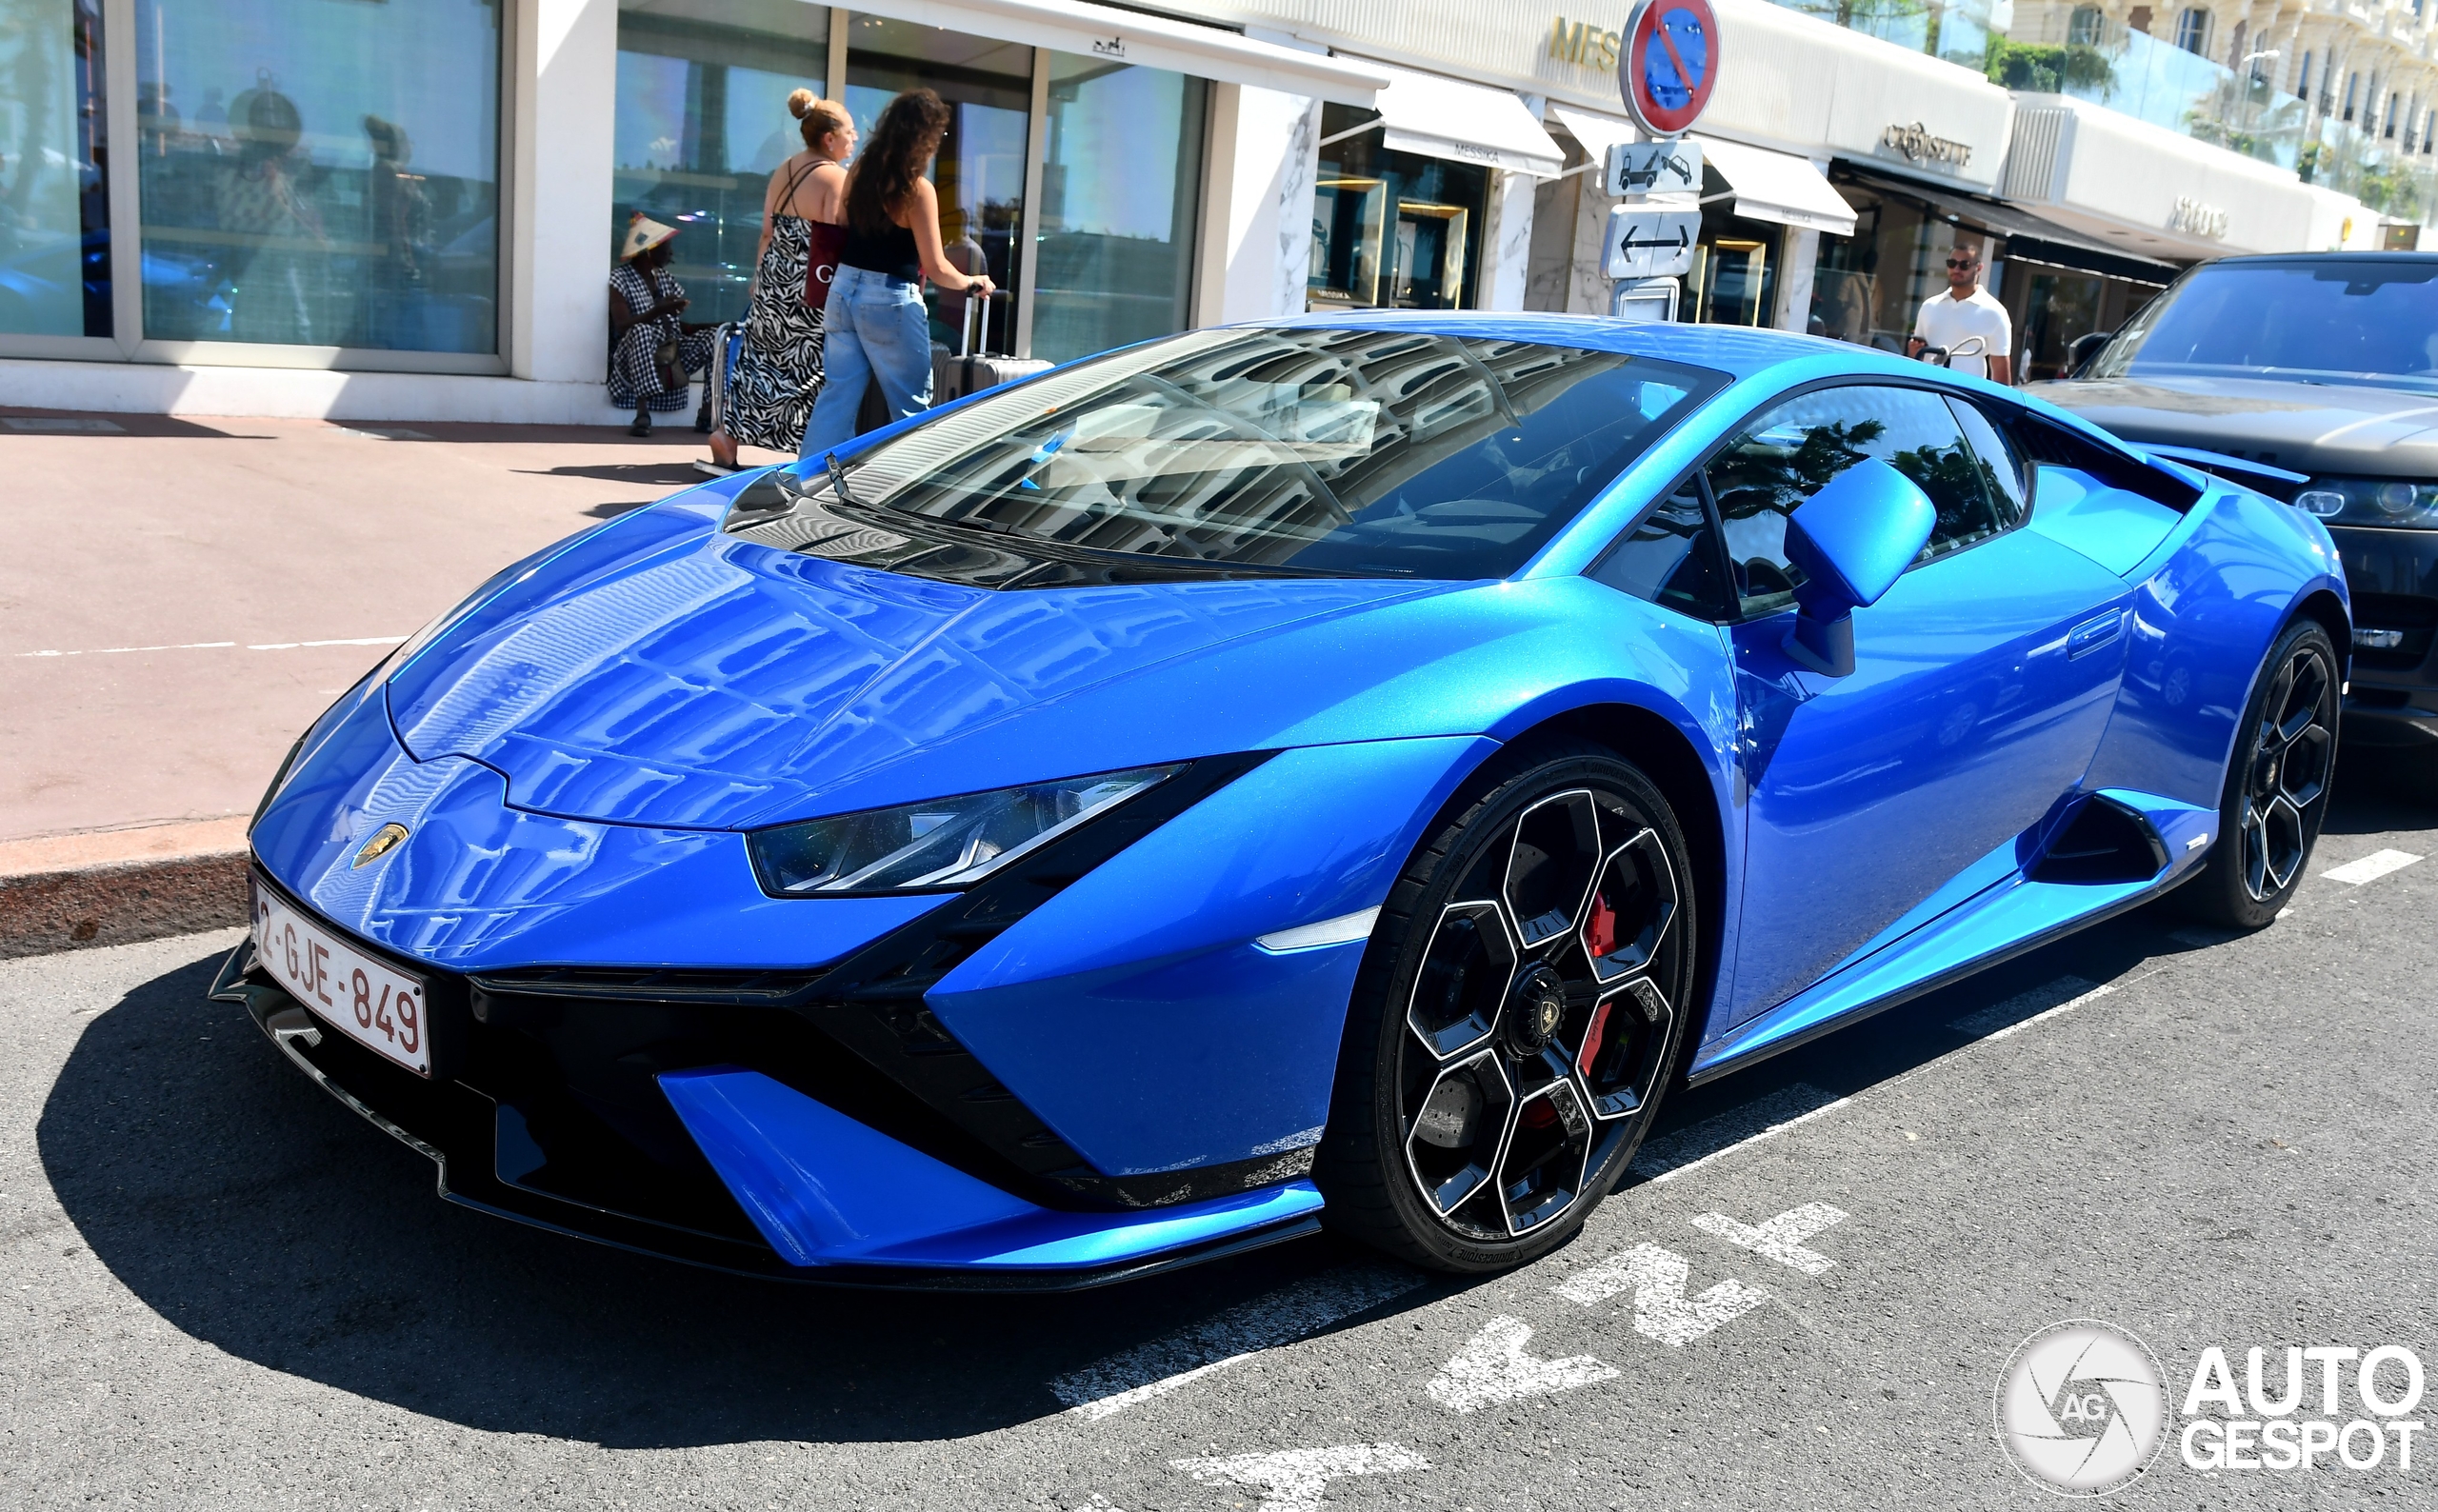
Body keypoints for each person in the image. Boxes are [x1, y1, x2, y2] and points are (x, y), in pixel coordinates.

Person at [798, 89, 995, 457]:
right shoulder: (917, 190)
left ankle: (802, 481)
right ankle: (907, 492)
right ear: (925, 137)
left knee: (837, 397)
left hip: (843, 288)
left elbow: (841, 221)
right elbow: (936, 267)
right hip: (888, 299)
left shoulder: (858, 171)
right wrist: (973, 281)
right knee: (910, 407)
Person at [701, 90, 855, 474]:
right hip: (811, 289)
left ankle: (727, 437)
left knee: (760, 362)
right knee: (813, 370)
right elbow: (837, 241)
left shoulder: (784, 169)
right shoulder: (835, 178)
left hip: (773, 280)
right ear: (829, 138)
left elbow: (766, 232)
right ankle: (815, 450)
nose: (855, 140)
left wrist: (758, 279)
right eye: (851, 133)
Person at [609, 212, 717, 437]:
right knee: (640, 331)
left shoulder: (665, 279)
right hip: (633, 363)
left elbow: (678, 327)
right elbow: (622, 326)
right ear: (650, 250)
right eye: (666, 248)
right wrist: (660, 310)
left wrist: (711, 325)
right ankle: (642, 413)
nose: (671, 253)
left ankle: (707, 415)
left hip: (670, 357)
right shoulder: (620, 279)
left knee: (717, 338)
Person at [1908, 241, 2012, 384]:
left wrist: (2001, 406)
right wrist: (1914, 352)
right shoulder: (1929, 306)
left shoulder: (1995, 312)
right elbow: (1917, 355)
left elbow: (2000, 366)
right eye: (1952, 263)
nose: (1956, 269)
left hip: (1966, 398)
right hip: (1926, 393)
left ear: (1979, 268)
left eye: (1964, 265)